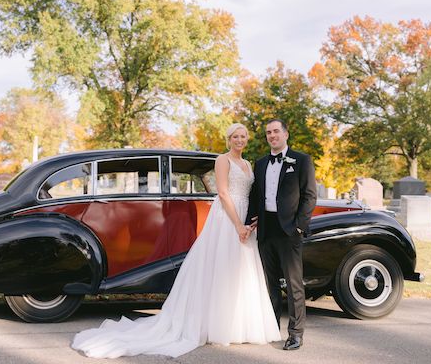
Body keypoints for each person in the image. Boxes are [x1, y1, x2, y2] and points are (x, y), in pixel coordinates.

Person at [71, 123, 281, 358]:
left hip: (243, 217)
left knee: (241, 270)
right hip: (227, 218)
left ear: (247, 139)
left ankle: (239, 325)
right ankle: (217, 325)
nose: (239, 140)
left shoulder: (248, 164)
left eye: (243, 136)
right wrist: (238, 225)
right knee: (220, 267)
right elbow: (222, 192)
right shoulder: (223, 160)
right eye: (235, 136)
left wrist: (251, 221)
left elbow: (251, 194)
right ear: (229, 139)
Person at [245, 119, 317, 351]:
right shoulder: (261, 163)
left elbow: (309, 196)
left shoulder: (301, 160)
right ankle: (271, 327)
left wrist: (299, 226)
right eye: (268, 132)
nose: (272, 135)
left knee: (294, 285)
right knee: (270, 284)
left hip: (289, 231)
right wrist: (250, 220)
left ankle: (296, 333)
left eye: (276, 131)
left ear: (286, 134)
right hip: (266, 231)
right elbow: (255, 195)